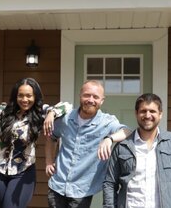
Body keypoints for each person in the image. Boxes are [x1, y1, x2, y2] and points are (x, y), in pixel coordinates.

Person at [103, 93, 171, 208]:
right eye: (143, 111)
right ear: (136, 114)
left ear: (160, 114)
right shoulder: (122, 147)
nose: (147, 115)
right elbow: (110, 183)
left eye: (152, 111)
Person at [0, 77, 70, 208]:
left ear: (35, 96)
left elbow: (66, 106)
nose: (24, 99)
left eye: (29, 96)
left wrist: (51, 113)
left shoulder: (39, 113)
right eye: (20, 95)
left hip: (23, 172)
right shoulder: (5, 111)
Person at [46, 80, 131, 208]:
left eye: (95, 97)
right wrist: (48, 161)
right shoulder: (65, 118)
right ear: (80, 96)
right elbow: (51, 137)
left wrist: (109, 139)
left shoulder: (106, 122)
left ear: (102, 100)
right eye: (87, 95)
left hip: (82, 190)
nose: (91, 99)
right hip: (57, 185)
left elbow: (127, 131)